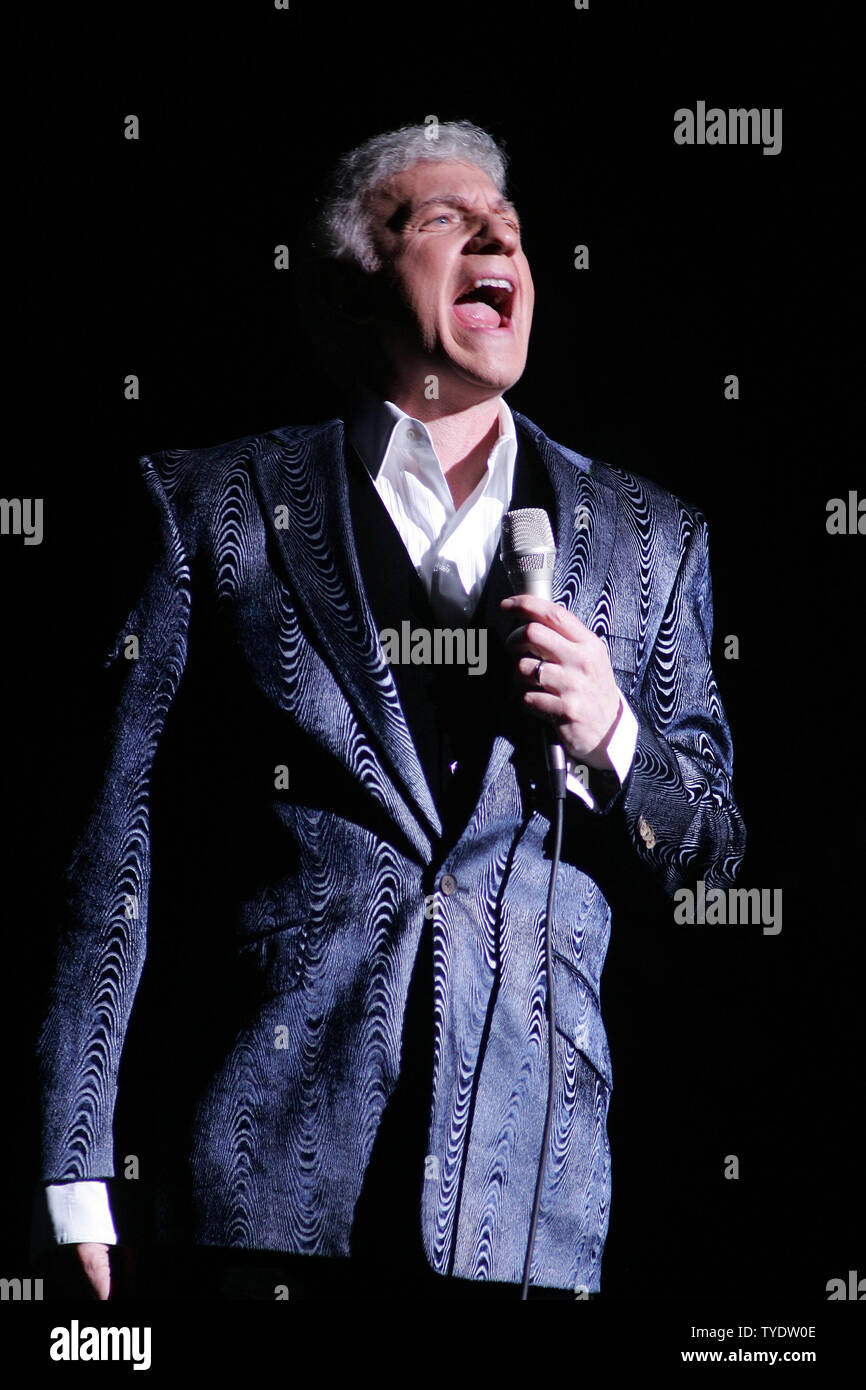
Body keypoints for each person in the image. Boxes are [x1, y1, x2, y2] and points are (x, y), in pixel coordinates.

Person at [33, 120, 745, 1300]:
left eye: (508, 224)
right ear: (348, 283)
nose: (497, 233)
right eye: (445, 218)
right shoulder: (207, 507)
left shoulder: (647, 540)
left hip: (529, 1210)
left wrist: (613, 736)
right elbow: (112, 846)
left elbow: (714, 858)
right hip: (259, 1187)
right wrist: (73, 1162)